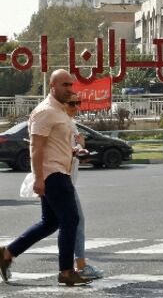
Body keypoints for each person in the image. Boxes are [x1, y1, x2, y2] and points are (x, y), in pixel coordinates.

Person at [0, 70, 91, 287]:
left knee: (50, 223)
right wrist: (39, 178)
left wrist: (74, 151)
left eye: (71, 85)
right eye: (65, 85)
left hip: (61, 171)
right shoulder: (45, 112)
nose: (69, 89)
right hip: (53, 174)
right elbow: (36, 147)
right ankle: (66, 271)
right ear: (52, 86)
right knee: (71, 220)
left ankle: (7, 253)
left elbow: (57, 145)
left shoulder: (61, 113)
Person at [64, 97, 103, 282]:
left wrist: (80, 148)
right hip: (60, 181)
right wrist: (80, 146)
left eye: (77, 103)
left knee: (50, 224)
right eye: (72, 103)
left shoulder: (70, 123)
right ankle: (79, 266)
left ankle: (8, 253)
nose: (76, 107)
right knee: (76, 222)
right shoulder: (61, 123)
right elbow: (69, 150)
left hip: (65, 180)